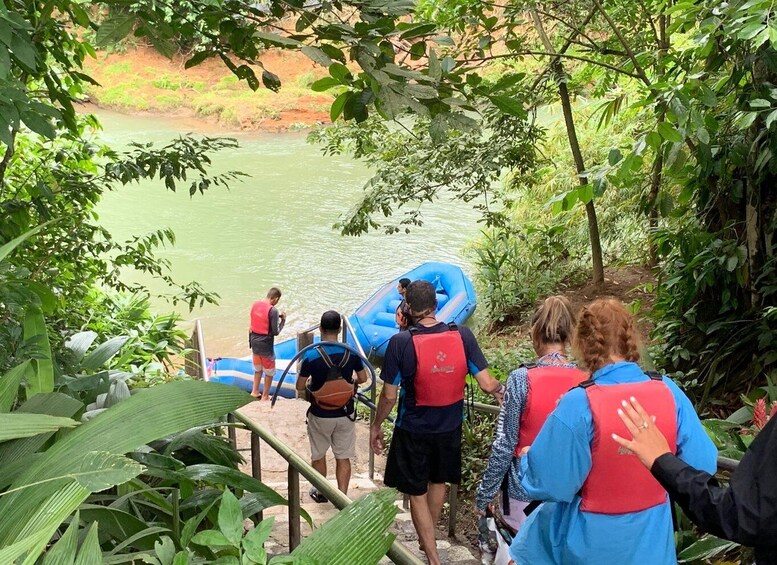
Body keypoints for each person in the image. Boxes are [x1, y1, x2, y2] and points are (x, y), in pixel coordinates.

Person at [508, 298, 717, 565]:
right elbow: (702, 464)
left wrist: (527, 458)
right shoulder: (668, 391)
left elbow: (551, 482)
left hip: (589, 544)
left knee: (526, 548)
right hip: (652, 543)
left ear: (582, 344)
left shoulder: (578, 402)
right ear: (630, 338)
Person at [370, 280, 506, 565]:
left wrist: (375, 426)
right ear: (435, 306)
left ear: (408, 307)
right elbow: (486, 382)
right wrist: (503, 395)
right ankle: (428, 538)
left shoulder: (401, 342)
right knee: (438, 480)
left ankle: (432, 557)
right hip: (450, 427)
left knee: (416, 491)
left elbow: (388, 395)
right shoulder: (463, 336)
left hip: (413, 429)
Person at [612, 396, 777, 564]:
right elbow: (703, 461)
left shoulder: (586, 400)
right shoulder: (667, 391)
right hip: (653, 537)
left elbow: (744, 516)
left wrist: (663, 462)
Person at [475, 296, 587, 534]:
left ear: (535, 334)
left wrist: (484, 494)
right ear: (570, 336)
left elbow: (505, 444)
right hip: (571, 492)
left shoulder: (521, 378)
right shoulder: (586, 381)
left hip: (523, 492)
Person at [295, 310, 368, 502]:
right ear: (340, 329)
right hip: (345, 413)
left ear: (320, 329)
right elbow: (364, 378)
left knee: (318, 455)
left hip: (320, 414)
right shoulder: (351, 353)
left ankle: (321, 492)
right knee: (343, 457)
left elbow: (300, 387)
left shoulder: (311, 355)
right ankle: (342, 498)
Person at [249, 287, 286, 400]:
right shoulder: (273, 310)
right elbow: (275, 332)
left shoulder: (256, 305)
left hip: (254, 343)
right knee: (269, 372)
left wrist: (277, 317)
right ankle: (265, 396)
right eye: (277, 300)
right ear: (274, 298)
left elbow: (260, 319)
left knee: (258, 369)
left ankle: (254, 391)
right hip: (266, 346)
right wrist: (283, 320)